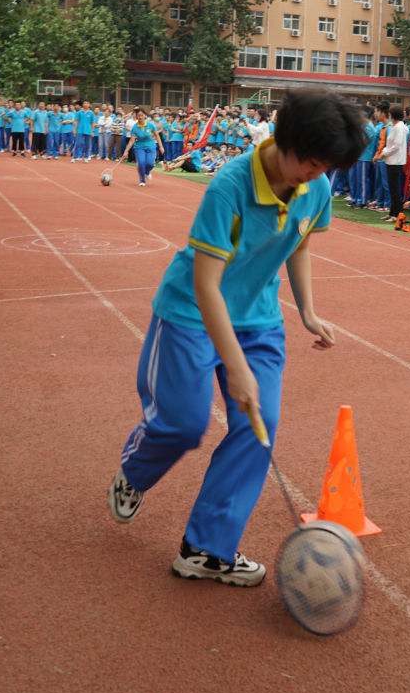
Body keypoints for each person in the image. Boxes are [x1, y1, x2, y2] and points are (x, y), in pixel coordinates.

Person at [107, 89, 365, 584]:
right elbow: (206, 286)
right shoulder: (230, 185)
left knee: (258, 424)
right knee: (182, 426)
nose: (317, 174)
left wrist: (307, 311)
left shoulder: (317, 185)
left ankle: (205, 548)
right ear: (284, 141)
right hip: (191, 312)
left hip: (259, 318)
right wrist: (237, 368)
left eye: (326, 167)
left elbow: (300, 243)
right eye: (311, 162)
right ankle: (136, 471)